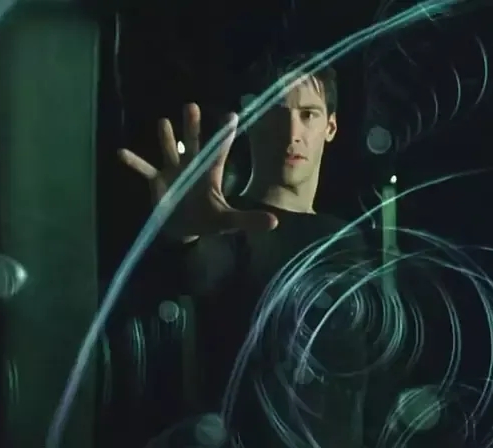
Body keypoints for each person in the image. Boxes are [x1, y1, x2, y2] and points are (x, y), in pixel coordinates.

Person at [119, 59, 371, 447]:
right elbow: (199, 270)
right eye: (276, 113)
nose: (293, 133)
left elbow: (355, 379)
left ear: (331, 127)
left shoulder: (345, 239)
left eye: (308, 115)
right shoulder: (229, 228)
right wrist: (185, 235)